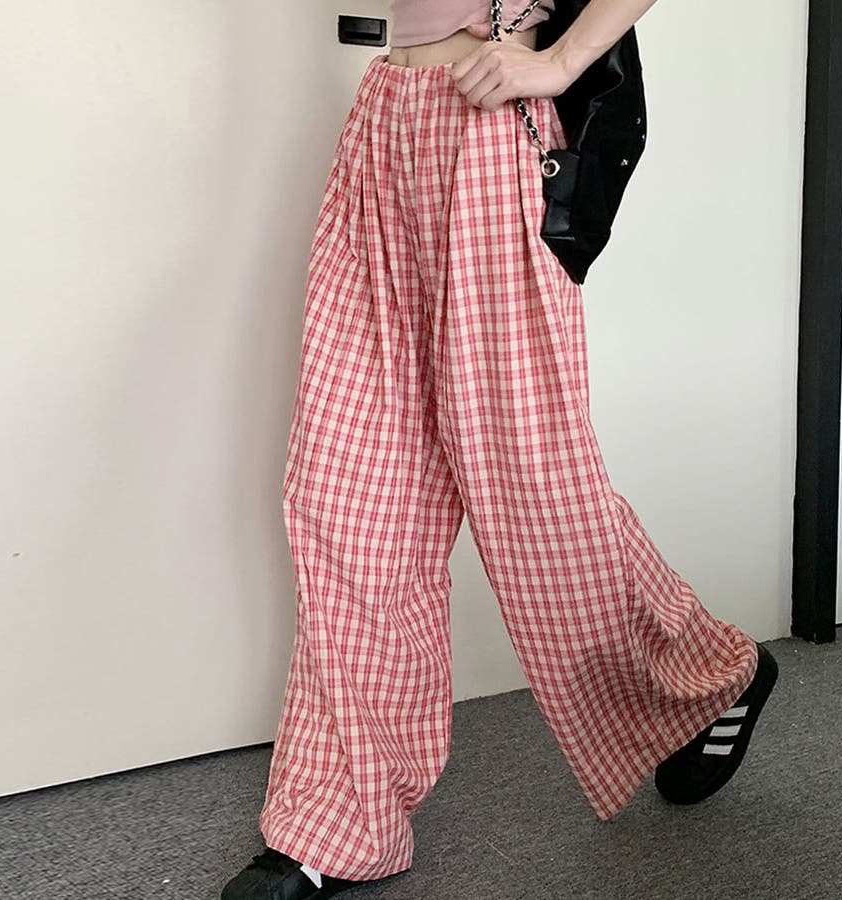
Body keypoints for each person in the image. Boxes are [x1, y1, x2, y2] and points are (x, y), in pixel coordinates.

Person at [221, 1, 779, 897]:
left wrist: (559, 62)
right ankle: (340, 817)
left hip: (493, 129)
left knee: (532, 489)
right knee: (348, 492)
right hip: (387, 121)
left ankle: (705, 672)